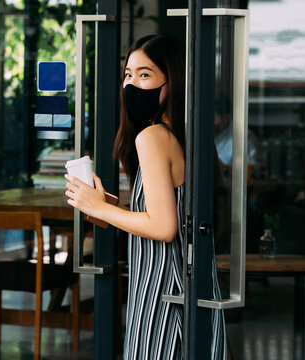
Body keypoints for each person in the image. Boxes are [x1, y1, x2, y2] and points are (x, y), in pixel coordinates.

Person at [64, 34, 227, 359]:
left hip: (162, 297)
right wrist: (107, 207)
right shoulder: (183, 136)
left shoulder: (152, 137)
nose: (131, 84)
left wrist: (98, 207)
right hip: (186, 293)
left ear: (172, 80)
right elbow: (169, 215)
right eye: (128, 74)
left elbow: (163, 227)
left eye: (145, 74)